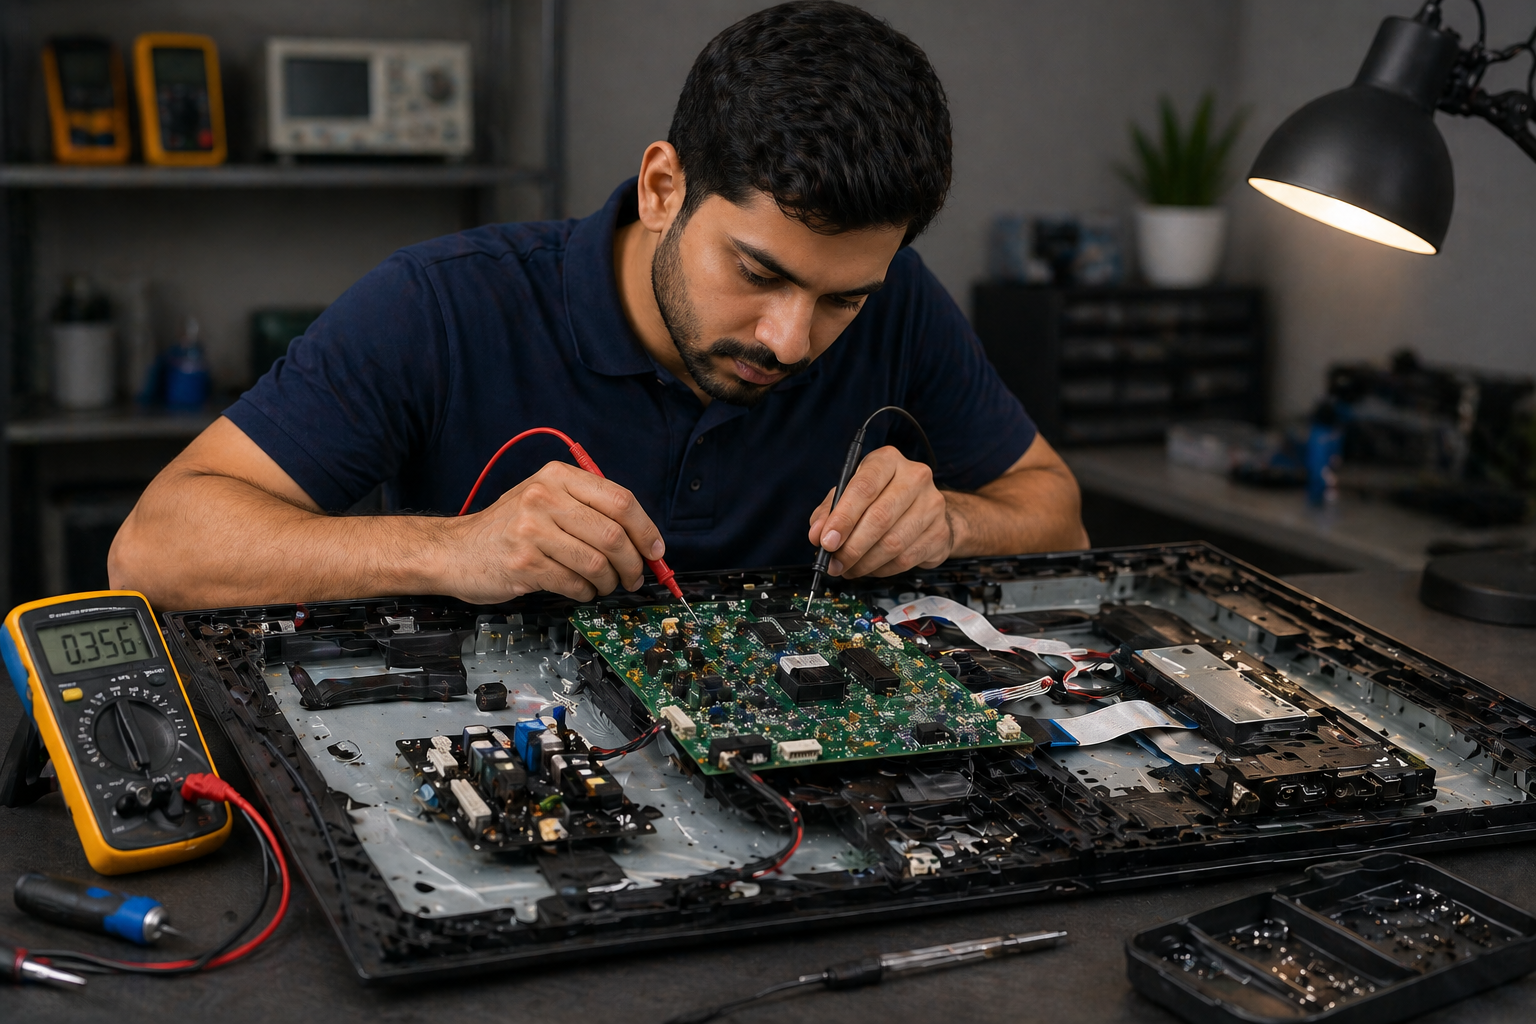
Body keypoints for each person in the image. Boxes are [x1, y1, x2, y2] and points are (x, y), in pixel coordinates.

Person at [109, 1, 1088, 611]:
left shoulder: (898, 303)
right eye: (756, 273)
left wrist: (949, 522)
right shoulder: (441, 304)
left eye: (841, 299)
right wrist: (459, 547)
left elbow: (1055, 510)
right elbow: (157, 548)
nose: (789, 339)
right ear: (664, 187)